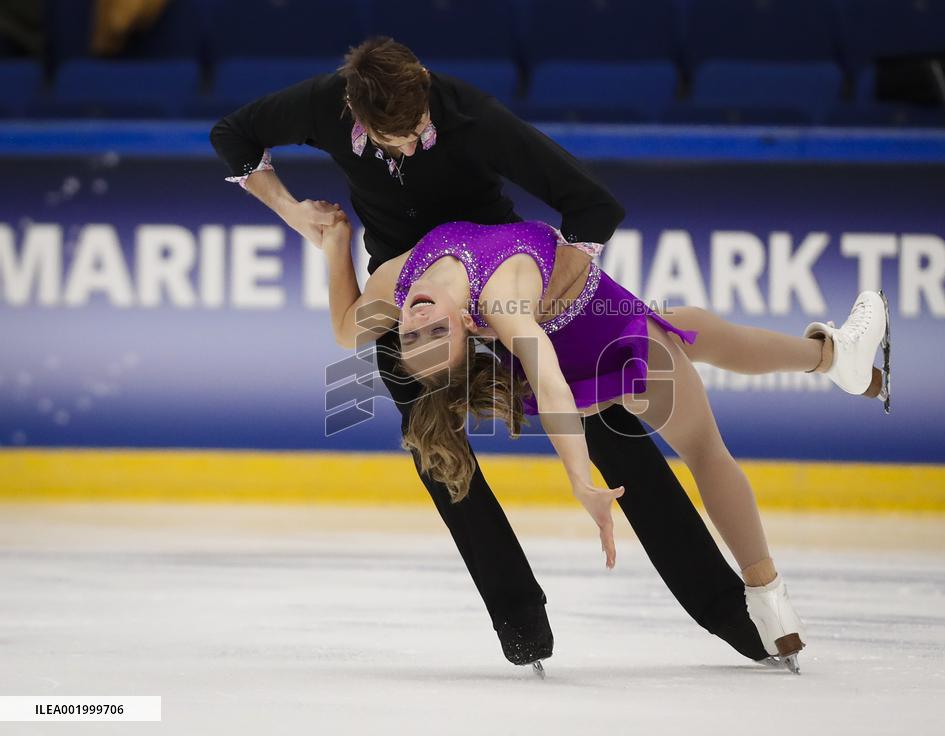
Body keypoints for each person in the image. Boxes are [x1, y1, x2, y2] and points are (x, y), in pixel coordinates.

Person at [211, 36, 775, 673]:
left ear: (424, 86)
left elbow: (591, 203)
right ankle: (518, 617)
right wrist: (296, 216)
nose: (409, 145)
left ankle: (728, 611)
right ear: (356, 113)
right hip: (410, 296)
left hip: (505, 286)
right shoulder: (324, 105)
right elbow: (234, 133)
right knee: (436, 447)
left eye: (419, 128)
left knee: (608, 428)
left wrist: (560, 300)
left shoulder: (471, 117)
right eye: (392, 139)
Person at [317, 214, 891, 674]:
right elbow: (548, 383)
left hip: (607, 318)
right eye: (433, 335)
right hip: (613, 348)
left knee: (697, 327)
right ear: (468, 325)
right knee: (705, 451)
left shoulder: (394, 285)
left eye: (414, 335)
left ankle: (834, 358)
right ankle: (768, 594)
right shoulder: (502, 303)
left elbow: (346, 327)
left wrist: (333, 245)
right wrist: (579, 478)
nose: (418, 323)